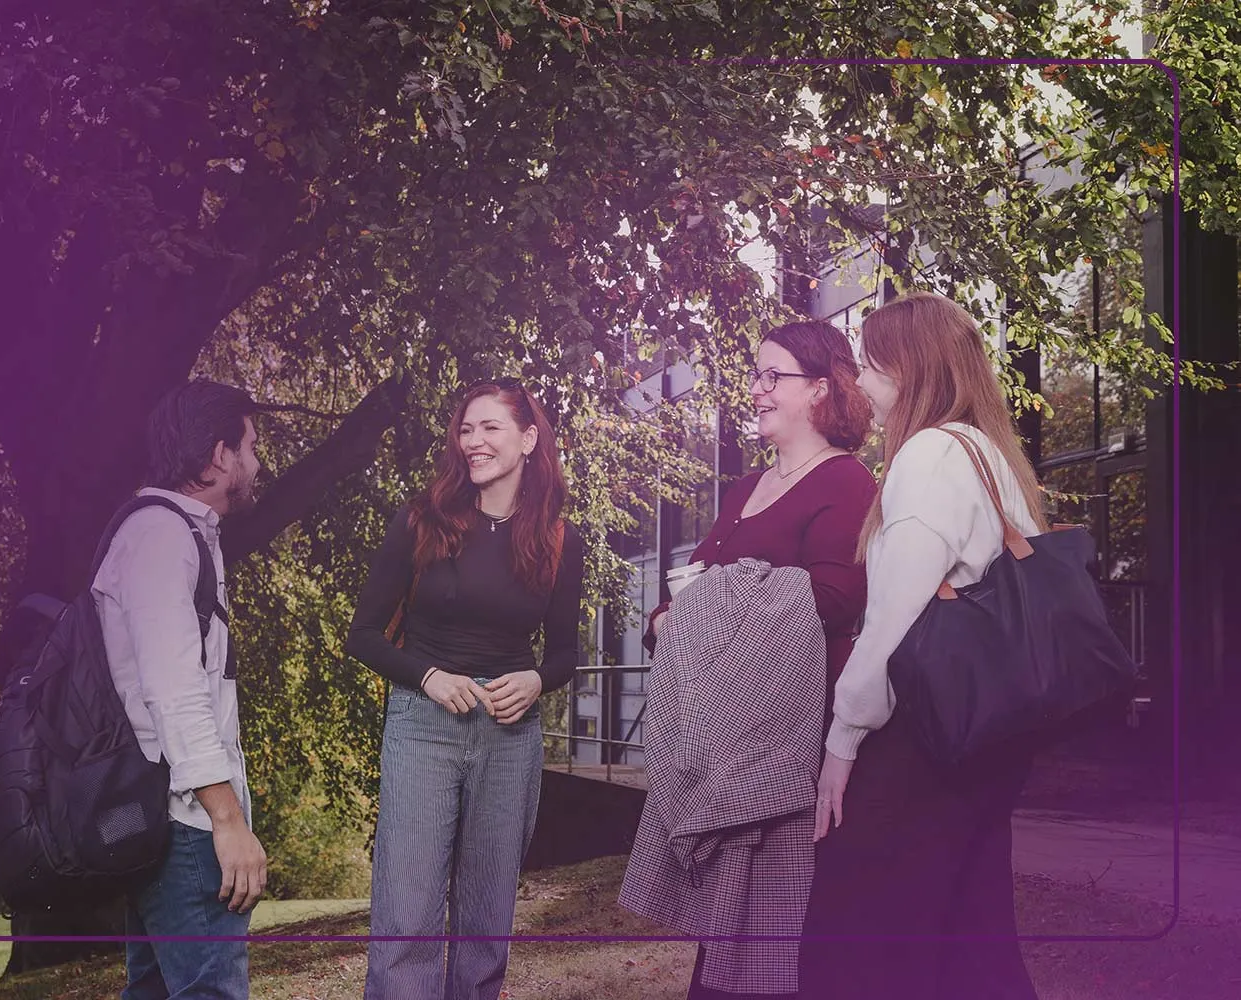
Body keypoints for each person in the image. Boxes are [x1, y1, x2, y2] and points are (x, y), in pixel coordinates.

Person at [800, 291, 1046, 999]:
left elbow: (892, 622)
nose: (863, 388)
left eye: (871, 368)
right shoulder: (991, 456)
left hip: (920, 739)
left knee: (859, 943)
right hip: (986, 738)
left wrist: (841, 742)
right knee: (969, 940)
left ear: (905, 371)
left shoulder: (930, 455)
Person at [630, 320, 876, 999]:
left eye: (774, 377)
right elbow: (683, 593)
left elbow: (829, 599)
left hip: (787, 735)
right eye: (755, 375)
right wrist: (680, 613)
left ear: (819, 390)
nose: (757, 390)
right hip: (722, 734)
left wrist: (702, 603)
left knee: (777, 932)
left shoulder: (848, 483)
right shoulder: (743, 488)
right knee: (723, 934)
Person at [345, 378, 585, 1000]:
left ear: (529, 439)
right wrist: (427, 675)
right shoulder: (422, 520)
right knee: (409, 906)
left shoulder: (559, 539)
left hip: (510, 737)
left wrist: (535, 680)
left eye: (490, 428)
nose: (473, 441)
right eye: (466, 428)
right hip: (424, 723)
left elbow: (564, 654)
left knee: (487, 911)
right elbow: (364, 635)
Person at [93, 378, 267, 1000]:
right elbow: (175, 692)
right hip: (185, 823)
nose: (255, 462)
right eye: (248, 445)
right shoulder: (163, 537)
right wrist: (228, 821)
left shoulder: (171, 533)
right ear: (219, 455)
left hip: (168, 818)